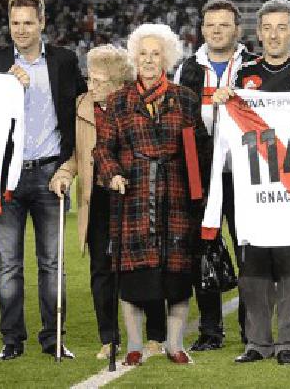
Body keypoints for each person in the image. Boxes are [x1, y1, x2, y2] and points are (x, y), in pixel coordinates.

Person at [212, 0, 290, 366]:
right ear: (258, 33)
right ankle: (257, 343)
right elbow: (230, 130)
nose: (274, 35)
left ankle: (288, 345)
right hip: (255, 191)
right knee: (253, 271)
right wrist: (224, 101)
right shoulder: (243, 76)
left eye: (282, 28)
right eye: (267, 28)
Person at [93, 23, 208, 366]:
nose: (148, 59)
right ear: (134, 58)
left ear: (167, 58)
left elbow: (199, 148)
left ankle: (174, 344)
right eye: (143, 53)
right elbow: (103, 149)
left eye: (155, 54)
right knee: (134, 276)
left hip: (175, 196)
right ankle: (133, 344)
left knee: (176, 277)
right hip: (134, 195)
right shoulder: (118, 101)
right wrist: (112, 174)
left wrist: (198, 193)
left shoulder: (185, 99)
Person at [0, 0, 87, 361]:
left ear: (42, 22)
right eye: (15, 23)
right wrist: (7, 90)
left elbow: (81, 112)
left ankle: (53, 338)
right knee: (8, 264)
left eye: (28, 22)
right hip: (6, 177)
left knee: (52, 263)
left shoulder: (64, 61)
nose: (21, 30)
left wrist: (70, 165)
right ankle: (11, 340)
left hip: (50, 173)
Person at [49, 45, 168, 361]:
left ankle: (156, 335)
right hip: (98, 196)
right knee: (101, 268)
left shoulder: (138, 104)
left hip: (134, 195)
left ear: (118, 83)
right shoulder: (81, 106)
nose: (91, 86)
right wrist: (63, 173)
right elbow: (76, 153)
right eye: (90, 79)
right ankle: (109, 338)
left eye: (99, 81)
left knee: (144, 264)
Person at [172, 0, 257, 351]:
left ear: (237, 29)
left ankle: (252, 330)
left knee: (248, 251)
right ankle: (210, 331)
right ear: (202, 29)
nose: (217, 31)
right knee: (203, 251)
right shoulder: (187, 69)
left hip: (247, 175)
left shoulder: (255, 65)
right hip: (202, 175)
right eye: (211, 25)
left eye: (224, 25)